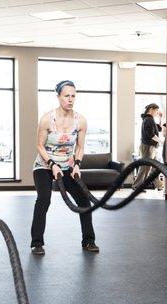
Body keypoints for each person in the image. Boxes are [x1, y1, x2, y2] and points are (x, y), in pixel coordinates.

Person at [30, 80, 99, 256]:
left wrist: (77, 164)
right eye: (66, 96)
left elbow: (80, 148)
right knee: (44, 199)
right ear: (58, 97)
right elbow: (39, 146)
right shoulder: (47, 118)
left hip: (67, 166)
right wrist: (52, 165)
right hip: (44, 165)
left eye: (73, 96)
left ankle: (89, 241)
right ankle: (37, 243)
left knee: (84, 200)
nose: (70, 99)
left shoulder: (80, 120)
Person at [132, 103, 165, 191]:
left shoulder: (150, 119)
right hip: (148, 147)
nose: (157, 113)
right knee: (145, 167)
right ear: (151, 109)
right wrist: (162, 141)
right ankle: (136, 186)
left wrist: (160, 118)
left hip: (151, 147)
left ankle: (159, 185)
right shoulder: (148, 120)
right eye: (156, 111)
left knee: (154, 167)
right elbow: (151, 134)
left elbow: (159, 129)